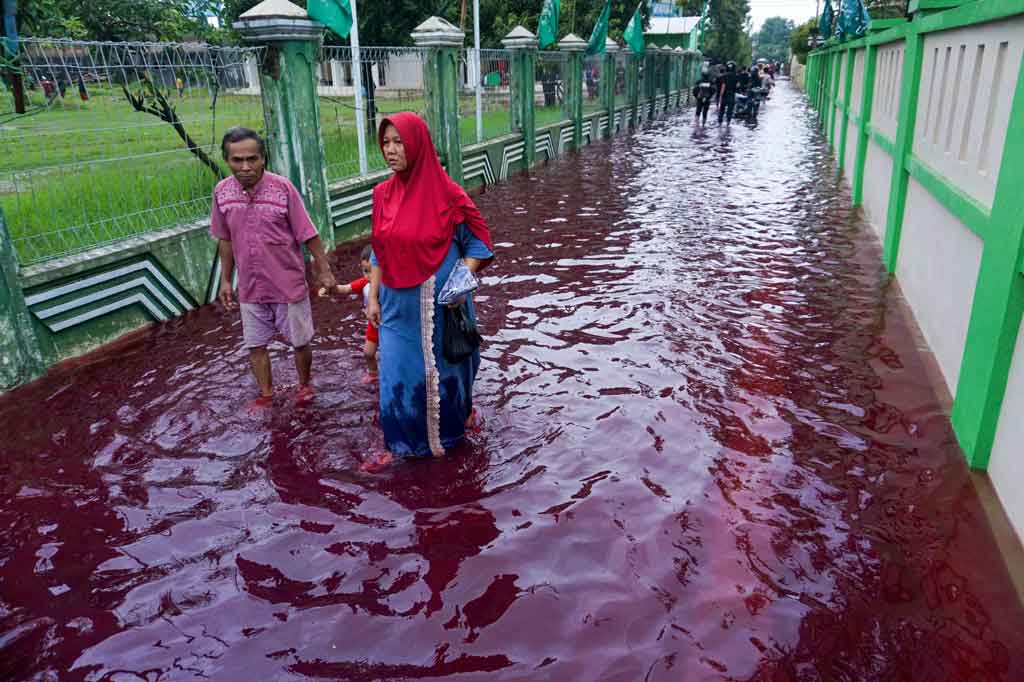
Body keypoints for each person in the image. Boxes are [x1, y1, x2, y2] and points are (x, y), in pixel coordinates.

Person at [363, 112, 494, 471]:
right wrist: (373, 297)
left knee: (449, 372)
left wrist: (457, 284)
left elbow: (480, 245)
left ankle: (451, 434)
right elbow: (379, 249)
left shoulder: (448, 196)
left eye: (399, 142)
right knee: (397, 375)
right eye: (385, 142)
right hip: (396, 308)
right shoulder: (382, 195)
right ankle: (401, 444)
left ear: (418, 144)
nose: (390, 150)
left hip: (442, 309)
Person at [210, 127, 339, 409]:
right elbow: (225, 239)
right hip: (250, 287)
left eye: (252, 159)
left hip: (287, 283)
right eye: (237, 160)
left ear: (263, 158)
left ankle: (304, 385)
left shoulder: (282, 189)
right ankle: (267, 394)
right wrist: (225, 281)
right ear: (227, 160)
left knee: (300, 341)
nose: (245, 167)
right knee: (255, 345)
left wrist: (324, 269)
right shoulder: (222, 193)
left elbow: (308, 233)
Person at [324, 244, 379, 382]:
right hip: (374, 324)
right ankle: (373, 373)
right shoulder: (364, 283)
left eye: (371, 271)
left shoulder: (389, 284)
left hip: (390, 323)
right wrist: (332, 289)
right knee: (368, 352)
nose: (367, 276)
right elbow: (345, 288)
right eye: (365, 271)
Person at [716, 61, 739, 125]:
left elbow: (723, 86)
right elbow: (738, 85)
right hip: (732, 95)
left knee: (722, 109)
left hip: (724, 95)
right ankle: (728, 123)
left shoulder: (724, 75)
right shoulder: (736, 76)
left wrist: (720, 95)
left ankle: (720, 123)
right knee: (730, 110)